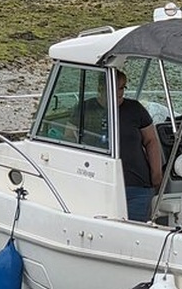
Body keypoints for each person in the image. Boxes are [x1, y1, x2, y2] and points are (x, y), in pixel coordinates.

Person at [67, 70, 163, 221]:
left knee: (137, 231)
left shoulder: (135, 109)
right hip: (98, 184)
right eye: (115, 87)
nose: (120, 92)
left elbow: (151, 141)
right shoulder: (85, 109)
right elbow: (69, 139)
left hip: (137, 185)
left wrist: (156, 174)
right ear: (101, 88)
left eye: (122, 87)